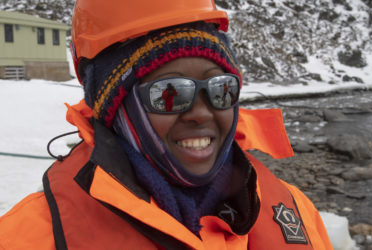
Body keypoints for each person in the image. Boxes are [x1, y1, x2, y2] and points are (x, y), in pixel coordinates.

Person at [0, 0, 333, 249]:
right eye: (169, 93)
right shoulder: (27, 237)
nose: (201, 114)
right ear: (114, 108)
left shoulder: (296, 213)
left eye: (221, 88)